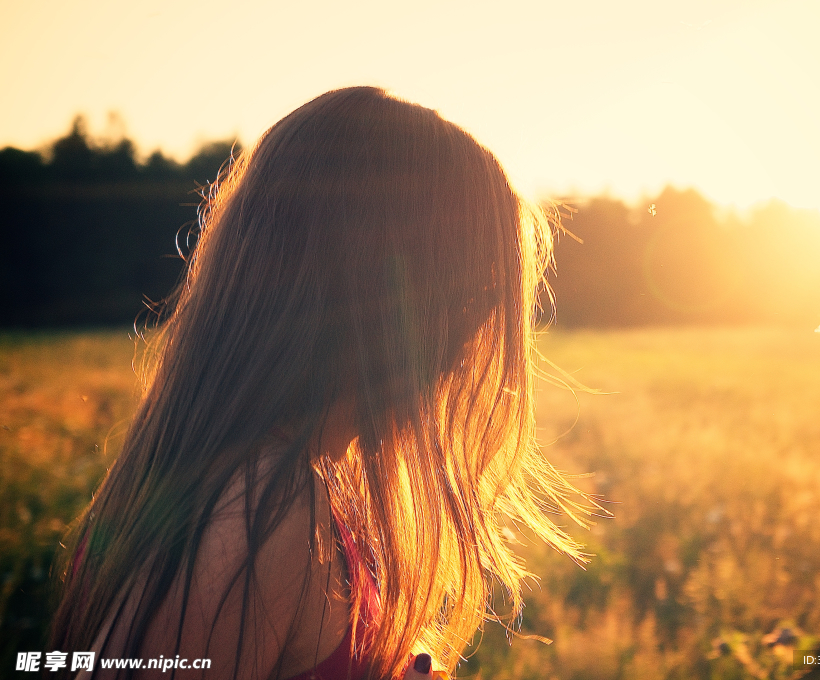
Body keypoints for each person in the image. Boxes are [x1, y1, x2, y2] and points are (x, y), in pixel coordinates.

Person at [51, 87, 589, 679]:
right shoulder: (260, 506)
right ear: (396, 308)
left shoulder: (248, 480)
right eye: (474, 304)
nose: (467, 351)